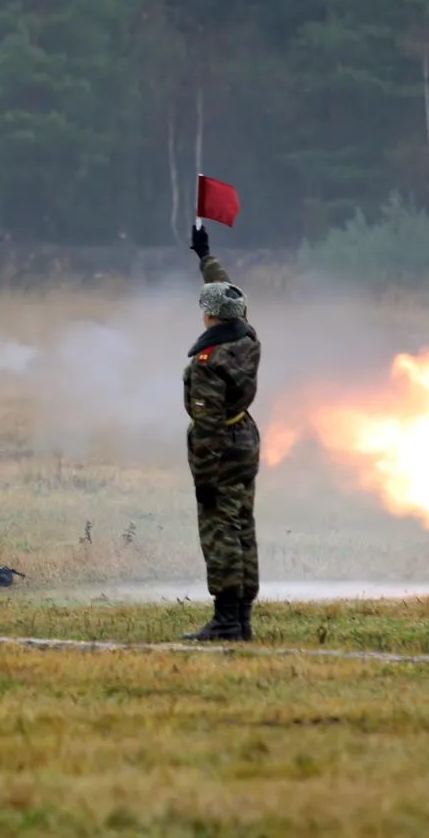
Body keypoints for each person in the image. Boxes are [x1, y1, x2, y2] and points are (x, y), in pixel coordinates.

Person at [180, 223, 261, 641]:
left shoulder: (210, 361)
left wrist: (205, 479)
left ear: (209, 315)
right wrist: (204, 255)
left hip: (220, 450)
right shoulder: (246, 335)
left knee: (219, 528)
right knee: (242, 524)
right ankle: (242, 616)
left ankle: (227, 620)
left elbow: (207, 424)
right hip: (245, 439)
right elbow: (227, 289)